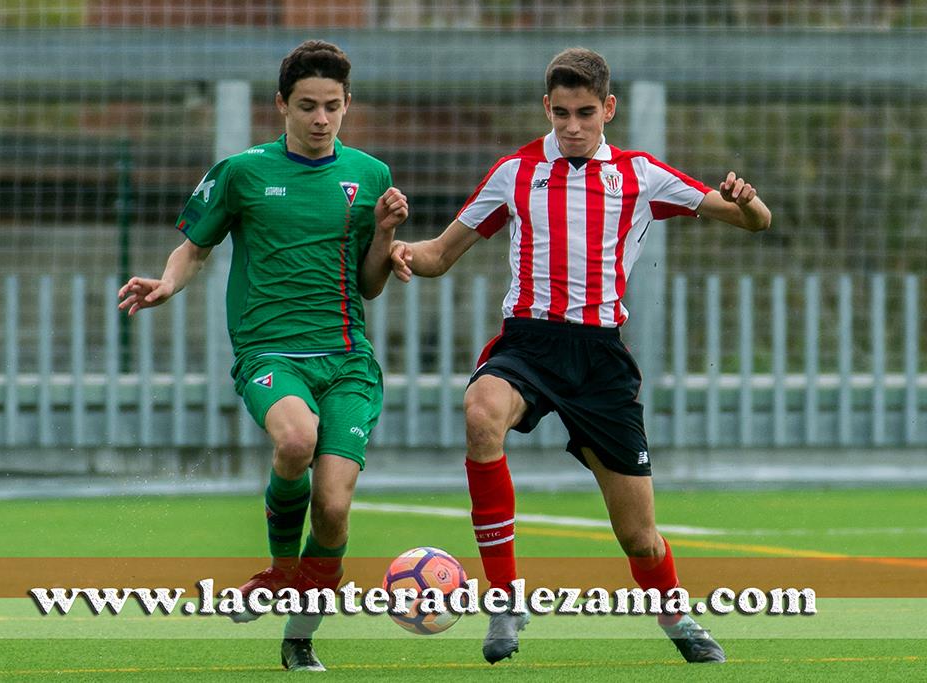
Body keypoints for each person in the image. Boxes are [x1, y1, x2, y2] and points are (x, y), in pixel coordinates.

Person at [390, 47, 770, 665]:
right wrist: (399, 247)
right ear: (546, 108)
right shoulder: (514, 172)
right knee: (482, 412)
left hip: (599, 359)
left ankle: (677, 621)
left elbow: (755, 221)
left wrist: (747, 200)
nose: (571, 125)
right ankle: (506, 598)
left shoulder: (640, 174)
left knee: (639, 537)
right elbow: (439, 254)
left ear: (608, 110)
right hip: (529, 343)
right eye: (560, 112)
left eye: (585, 113)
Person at [118, 40, 408, 672]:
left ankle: (300, 636)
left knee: (332, 507)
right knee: (296, 440)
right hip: (270, 350)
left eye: (333, 106)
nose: (321, 119)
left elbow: (369, 284)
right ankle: (280, 570)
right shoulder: (242, 171)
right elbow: (193, 248)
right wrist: (167, 282)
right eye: (307, 105)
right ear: (281, 104)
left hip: (348, 358)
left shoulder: (372, 176)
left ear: (347, 104)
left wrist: (386, 236)